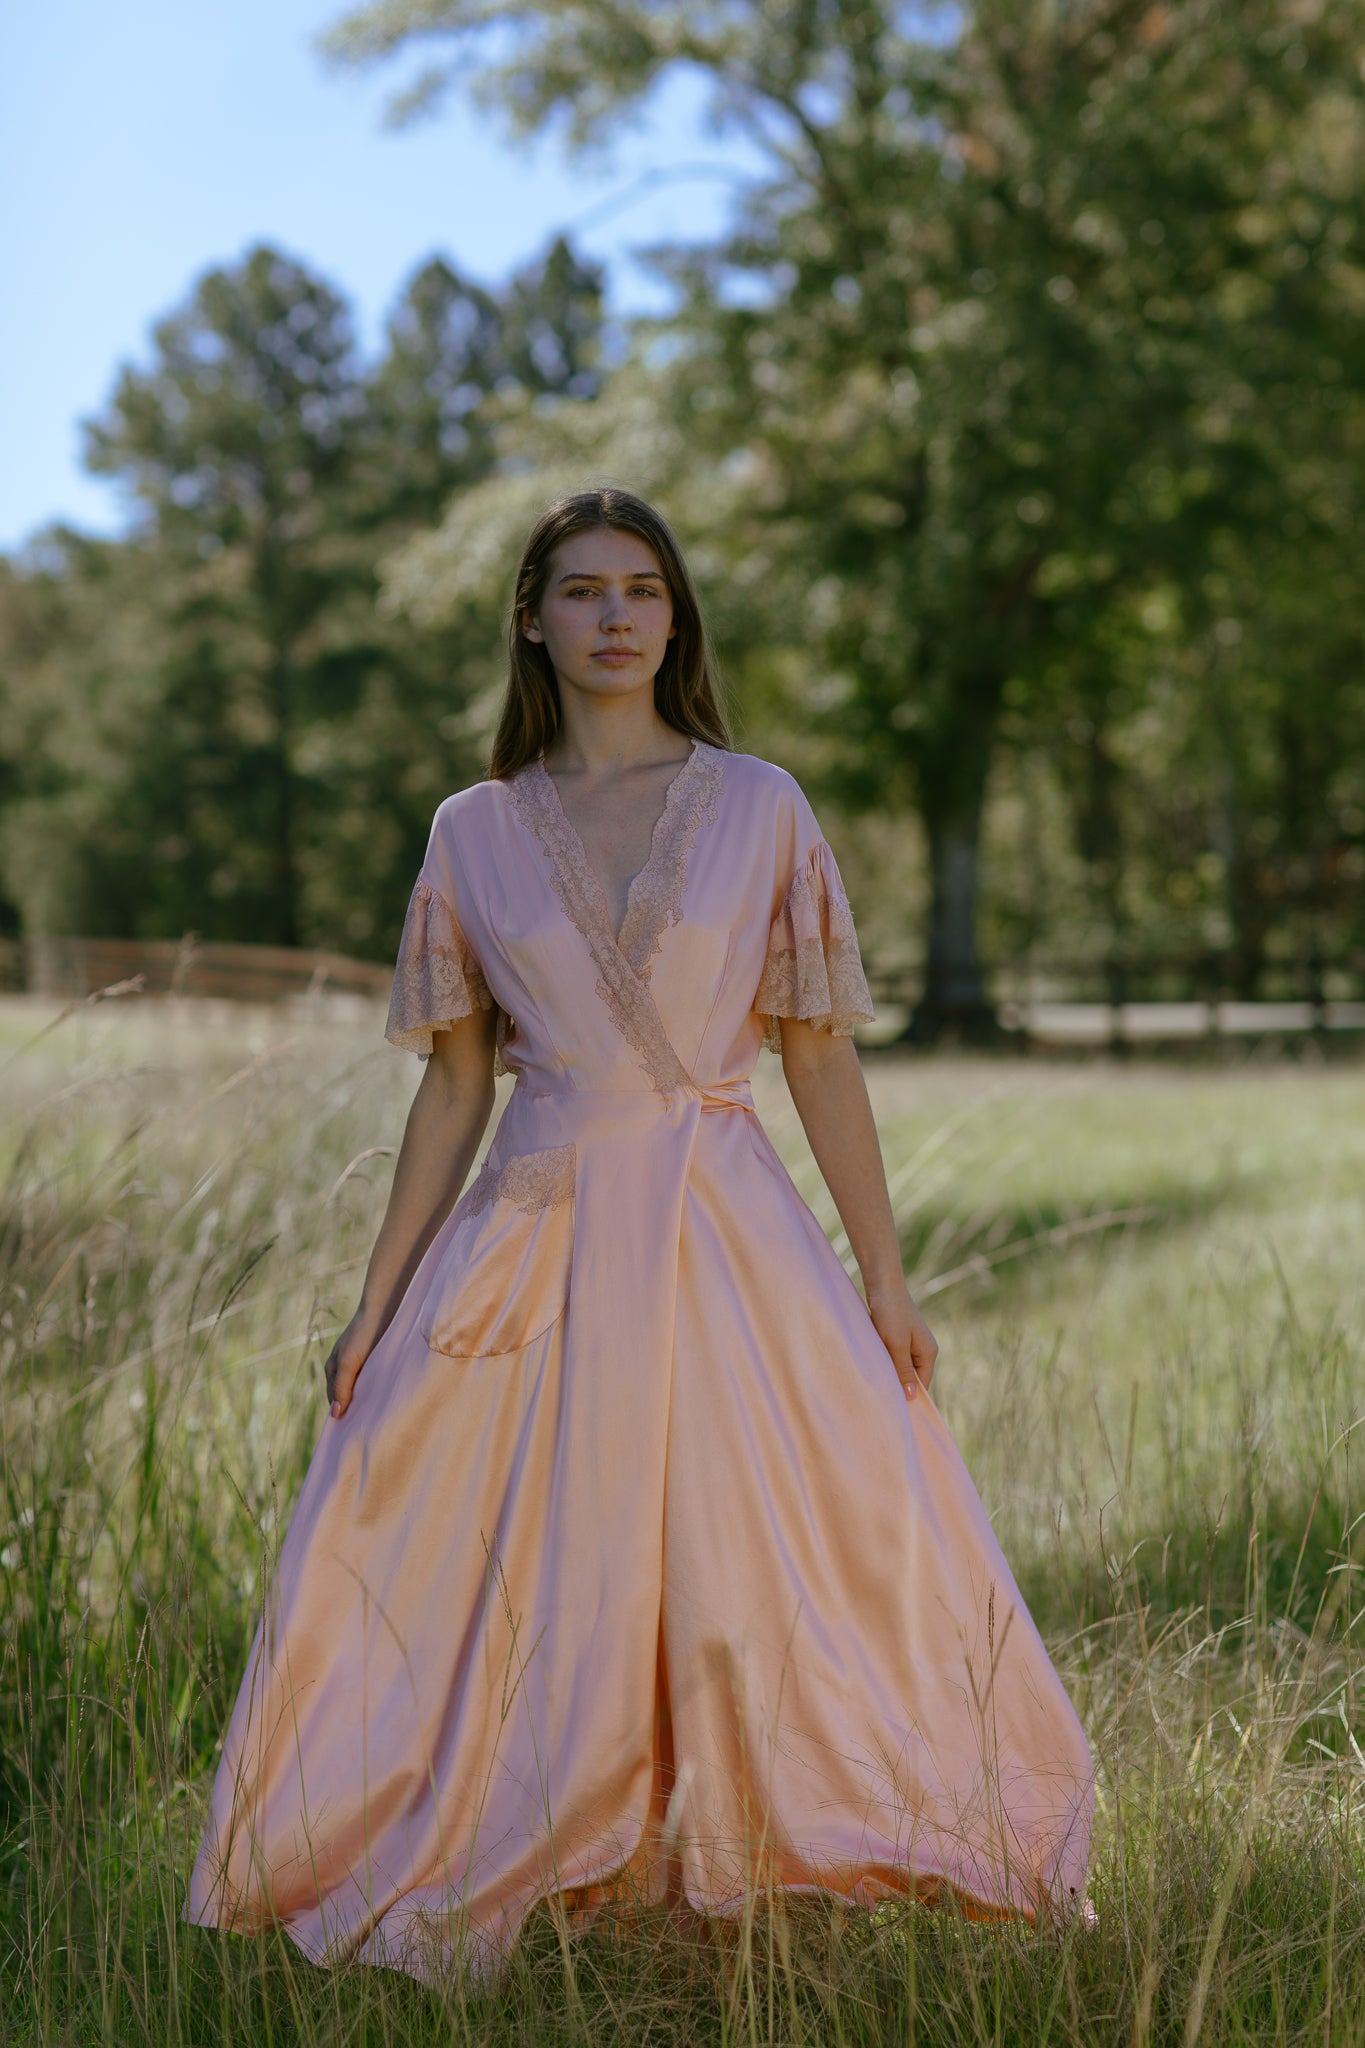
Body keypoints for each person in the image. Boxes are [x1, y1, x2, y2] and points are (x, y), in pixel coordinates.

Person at [184, 487, 1093, 1985]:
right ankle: (536, 1815)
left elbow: (816, 1053)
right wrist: (374, 1302)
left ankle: (740, 1821)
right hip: (537, 1229)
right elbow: (459, 1082)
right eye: (583, 590)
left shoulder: (759, 804)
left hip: (722, 1221)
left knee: (765, 1519)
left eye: (644, 590)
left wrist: (882, 1275)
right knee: (515, 1528)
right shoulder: (469, 831)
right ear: (532, 619)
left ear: (674, 619)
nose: (616, 615)